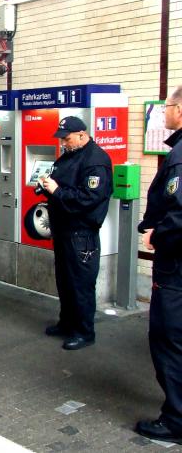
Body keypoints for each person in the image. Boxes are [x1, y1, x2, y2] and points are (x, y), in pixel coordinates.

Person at [39, 116, 113, 350]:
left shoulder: (96, 160)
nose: (63, 143)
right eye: (62, 139)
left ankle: (83, 332)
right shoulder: (70, 156)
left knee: (80, 283)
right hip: (63, 230)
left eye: (67, 139)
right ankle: (67, 323)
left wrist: (57, 191)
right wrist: (47, 186)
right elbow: (60, 183)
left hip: (81, 233)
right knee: (65, 281)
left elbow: (89, 198)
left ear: (82, 135)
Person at [135, 86, 182, 443]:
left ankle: (176, 420)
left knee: (168, 338)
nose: (164, 113)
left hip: (175, 269)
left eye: (167, 106)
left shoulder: (180, 157)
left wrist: (156, 233)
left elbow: (178, 214)